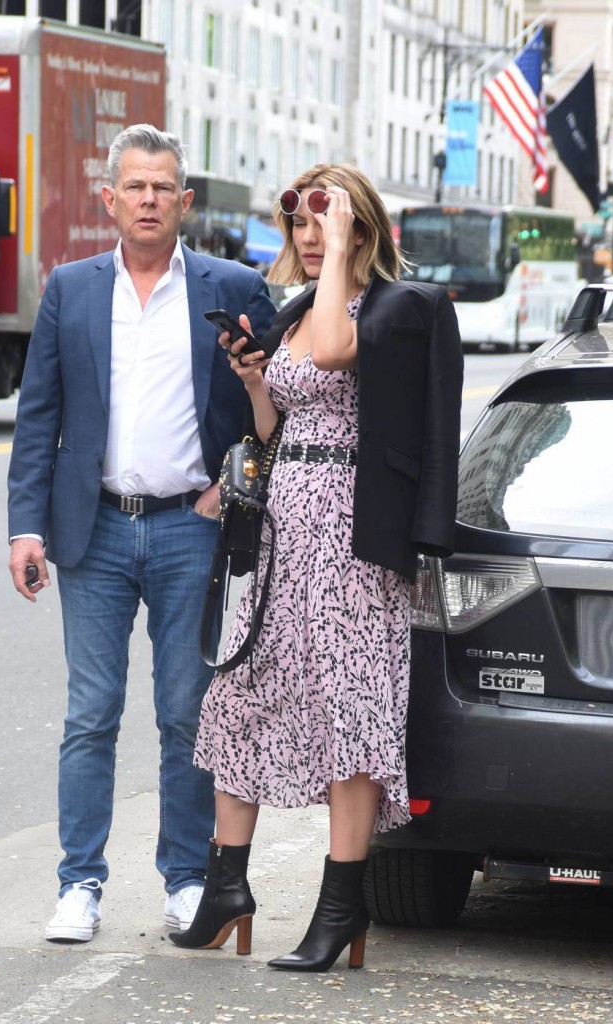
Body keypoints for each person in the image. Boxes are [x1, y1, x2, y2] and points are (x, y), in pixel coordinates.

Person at [171, 164, 463, 971]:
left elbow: (338, 353)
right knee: (242, 692)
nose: (304, 237)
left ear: (361, 231)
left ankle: (342, 907)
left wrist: (337, 254)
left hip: (350, 535)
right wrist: (259, 383)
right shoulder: (300, 308)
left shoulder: (384, 310)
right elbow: (276, 428)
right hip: (283, 528)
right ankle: (226, 886)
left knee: (348, 708)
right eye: (297, 224)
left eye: (323, 225)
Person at [7, 124, 275, 943]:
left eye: (164, 187)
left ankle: (186, 880)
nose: (149, 200)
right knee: (90, 713)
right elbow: (38, 416)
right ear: (110, 199)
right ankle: (79, 885)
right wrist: (25, 527)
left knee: (185, 714)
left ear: (186, 201)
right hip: (91, 530)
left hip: (188, 531)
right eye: (136, 187)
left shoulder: (230, 287)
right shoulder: (72, 289)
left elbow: (273, 414)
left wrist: (228, 490)